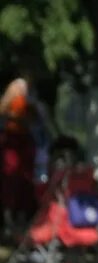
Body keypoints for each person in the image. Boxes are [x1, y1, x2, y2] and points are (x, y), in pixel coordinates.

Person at [0, 77, 37, 241]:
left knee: (24, 183)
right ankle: (9, 222)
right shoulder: (9, 103)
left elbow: (31, 121)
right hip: (12, 143)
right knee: (10, 183)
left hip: (24, 145)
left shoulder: (30, 103)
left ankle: (21, 221)